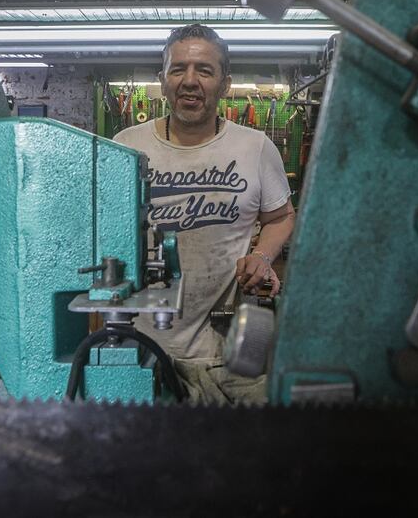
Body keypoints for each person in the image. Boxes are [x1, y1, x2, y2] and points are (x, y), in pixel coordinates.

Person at [113, 24, 295, 404]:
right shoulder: (126, 147)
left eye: (204, 71)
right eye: (178, 69)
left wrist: (262, 256)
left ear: (224, 84)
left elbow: (281, 217)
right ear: (162, 80)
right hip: (139, 351)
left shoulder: (255, 148)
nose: (190, 81)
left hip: (227, 358)